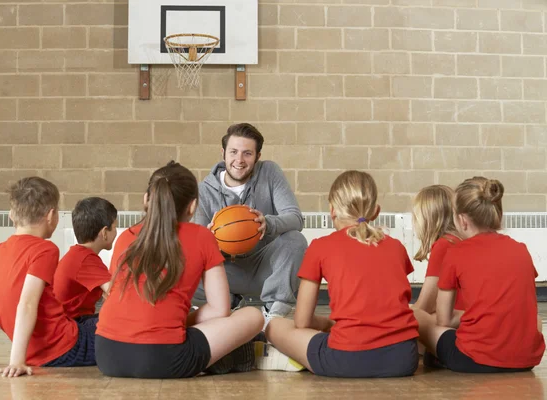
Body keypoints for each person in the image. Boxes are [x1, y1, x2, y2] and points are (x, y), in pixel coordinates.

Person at [95, 161, 264, 379]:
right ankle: (220, 358)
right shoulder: (203, 237)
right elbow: (220, 310)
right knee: (253, 315)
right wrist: (179, 323)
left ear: (147, 199)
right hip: (164, 359)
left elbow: (114, 295)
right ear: (192, 206)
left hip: (107, 355)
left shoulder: (126, 237)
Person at [259, 170, 419, 377]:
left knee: (275, 325)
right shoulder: (397, 247)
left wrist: (327, 324)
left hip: (346, 360)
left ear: (332, 210)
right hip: (404, 359)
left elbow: (302, 322)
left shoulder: (320, 247)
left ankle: (289, 357)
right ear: (376, 211)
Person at [0, 177, 95, 377]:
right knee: (113, 322)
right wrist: (16, 361)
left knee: (87, 320)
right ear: (51, 215)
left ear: (11, 215)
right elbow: (26, 304)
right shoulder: (45, 250)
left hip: (37, 351)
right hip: (65, 349)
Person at [414, 177, 545, 373]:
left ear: (461, 220)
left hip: (474, 359)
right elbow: (525, 307)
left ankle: (432, 355)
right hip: (527, 360)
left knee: (413, 314)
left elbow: (443, 320)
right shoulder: (521, 250)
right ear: (497, 214)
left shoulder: (455, 252)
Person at [194, 123, 307, 324]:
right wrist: (208, 240)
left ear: (257, 156)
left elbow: (295, 218)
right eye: (234, 152)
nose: (239, 160)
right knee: (187, 258)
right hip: (225, 272)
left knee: (295, 240)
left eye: (247, 153)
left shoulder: (270, 172)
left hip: (264, 268)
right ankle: (225, 303)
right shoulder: (204, 190)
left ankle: (274, 314)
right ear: (223, 153)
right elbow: (198, 250)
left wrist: (268, 223)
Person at [54, 197, 118, 322]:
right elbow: (115, 293)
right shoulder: (86, 259)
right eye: (115, 227)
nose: (115, 232)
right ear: (104, 232)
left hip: (71, 321)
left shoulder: (78, 254)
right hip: (71, 325)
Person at [411, 185, 463, 319]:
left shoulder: (444, 245)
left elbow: (425, 306)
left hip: (457, 325)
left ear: (427, 219)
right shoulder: (458, 241)